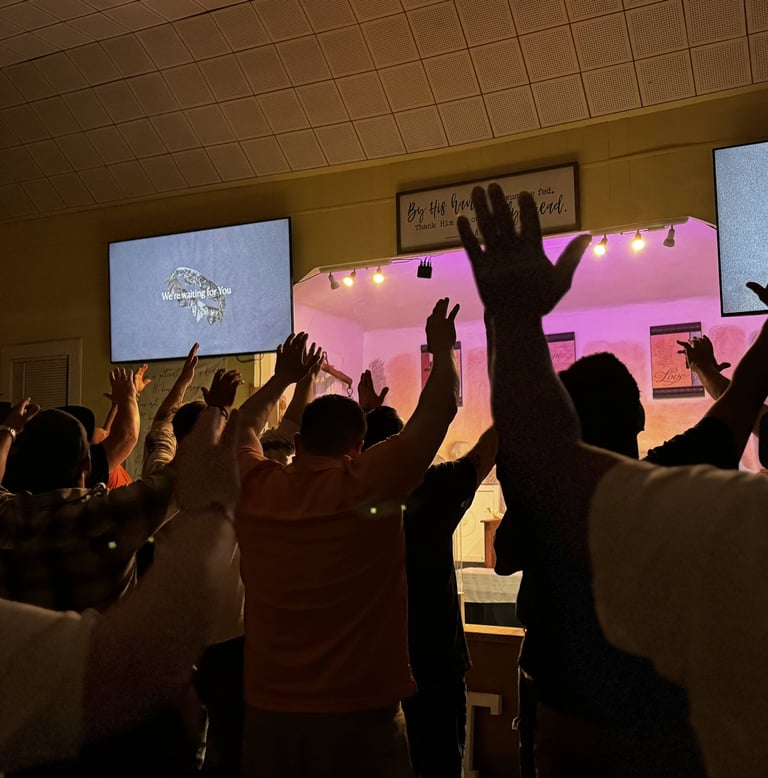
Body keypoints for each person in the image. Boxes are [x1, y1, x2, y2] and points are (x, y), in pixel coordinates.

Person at [458, 183, 768, 776]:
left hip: (564, 721)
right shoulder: (678, 481)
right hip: (669, 729)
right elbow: (743, 400)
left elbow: (507, 544)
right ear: (640, 419)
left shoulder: (550, 494)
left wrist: (511, 314)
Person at [236, 303, 459, 778]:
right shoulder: (370, 483)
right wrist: (442, 349)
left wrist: (283, 379)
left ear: (299, 444)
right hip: (361, 712)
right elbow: (442, 406)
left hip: (269, 711)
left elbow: (243, 429)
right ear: (358, 448)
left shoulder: (258, 486)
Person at [0, 401, 241, 774]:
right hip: (114, 716)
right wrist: (216, 421)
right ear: (87, 465)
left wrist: (8, 431)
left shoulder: (6, 519)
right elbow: (184, 478)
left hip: (26, 718)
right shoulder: (109, 513)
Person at [358, 372, 497, 778]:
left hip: (370, 661)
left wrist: (369, 418)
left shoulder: (347, 491)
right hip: (434, 660)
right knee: (438, 763)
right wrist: (513, 398)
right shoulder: (432, 489)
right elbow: (484, 454)